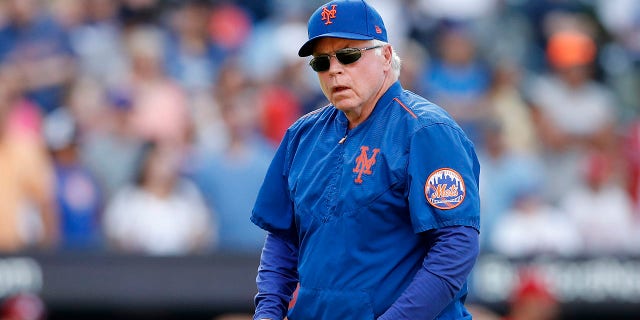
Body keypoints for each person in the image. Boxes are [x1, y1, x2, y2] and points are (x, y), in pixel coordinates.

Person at [250, 1, 481, 319]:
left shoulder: (426, 130)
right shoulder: (301, 135)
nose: (334, 70)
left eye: (348, 54)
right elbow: (281, 240)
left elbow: (455, 247)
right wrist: (267, 314)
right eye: (321, 61)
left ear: (386, 56)